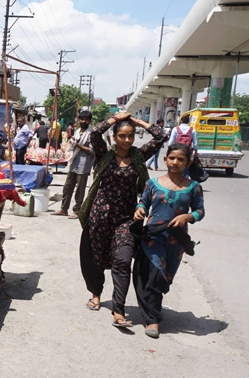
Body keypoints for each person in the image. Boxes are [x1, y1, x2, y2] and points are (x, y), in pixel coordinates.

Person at [77, 111, 168, 328]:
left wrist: (136, 121)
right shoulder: (104, 154)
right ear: (115, 136)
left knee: (124, 260)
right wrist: (117, 119)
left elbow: (160, 136)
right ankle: (96, 294)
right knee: (96, 257)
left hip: (126, 218)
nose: (127, 140)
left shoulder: (138, 155)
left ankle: (118, 310)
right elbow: (96, 133)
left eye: (131, 135)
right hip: (100, 215)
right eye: (122, 136)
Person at [132, 143, 204, 338]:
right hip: (153, 237)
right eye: (172, 158)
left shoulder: (194, 187)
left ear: (187, 162)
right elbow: (143, 202)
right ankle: (153, 320)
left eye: (180, 159)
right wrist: (140, 210)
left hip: (176, 241)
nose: (175, 162)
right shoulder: (152, 183)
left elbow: (200, 211)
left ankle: (151, 308)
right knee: (155, 275)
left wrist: (187, 217)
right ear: (165, 159)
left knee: (164, 277)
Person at [53, 110, 94, 219]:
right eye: (81, 119)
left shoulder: (92, 134)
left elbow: (92, 150)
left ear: (89, 121)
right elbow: (74, 145)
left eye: (85, 119)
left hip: (84, 165)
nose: (83, 121)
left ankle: (77, 211)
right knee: (67, 188)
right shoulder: (77, 132)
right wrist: (73, 143)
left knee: (80, 190)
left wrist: (78, 145)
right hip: (74, 163)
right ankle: (63, 209)